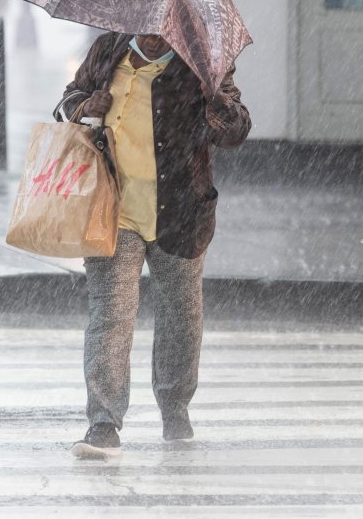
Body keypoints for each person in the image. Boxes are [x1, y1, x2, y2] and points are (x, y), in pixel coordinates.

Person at [53, 31, 251, 459]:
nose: (153, 35)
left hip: (180, 211)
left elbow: (236, 130)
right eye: (145, 24)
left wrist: (212, 92)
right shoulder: (109, 50)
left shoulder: (204, 62)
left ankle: (175, 408)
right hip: (112, 208)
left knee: (180, 313)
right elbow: (66, 102)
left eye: (163, 27)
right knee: (110, 315)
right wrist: (84, 107)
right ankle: (103, 423)